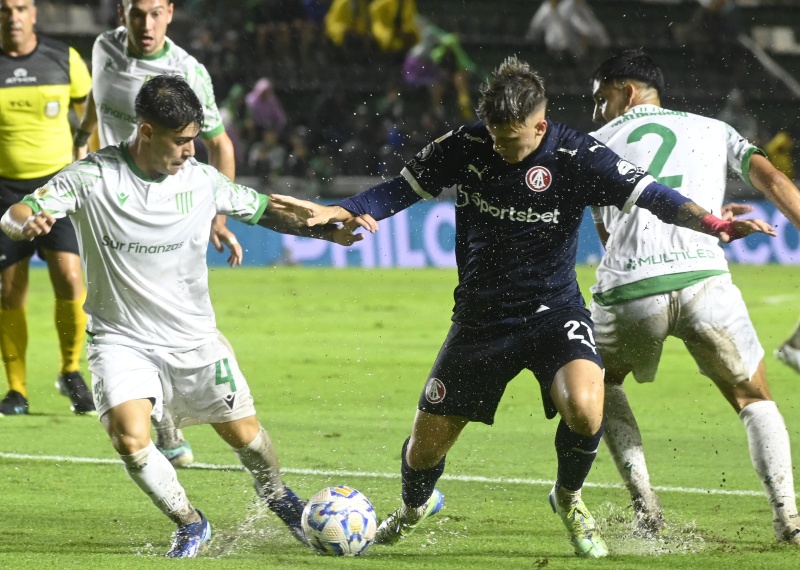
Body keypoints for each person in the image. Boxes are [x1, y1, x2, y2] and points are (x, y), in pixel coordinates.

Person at [267, 55, 776, 558]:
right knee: (424, 451)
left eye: (511, 141)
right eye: (494, 137)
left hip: (554, 312)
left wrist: (716, 226)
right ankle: (415, 506)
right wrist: (347, 209)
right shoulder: (464, 146)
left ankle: (569, 498)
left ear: (541, 124)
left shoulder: (578, 154)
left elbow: (655, 196)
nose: (501, 149)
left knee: (585, 404)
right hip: (480, 321)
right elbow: (400, 190)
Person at [0, 74, 363, 558]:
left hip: (193, 340)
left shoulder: (202, 181)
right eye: (182, 141)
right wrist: (27, 224)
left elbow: (266, 211)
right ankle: (190, 522)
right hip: (119, 339)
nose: (192, 151)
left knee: (247, 439)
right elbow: (17, 213)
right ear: (146, 131)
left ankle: (278, 495)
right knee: (129, 439)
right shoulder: (93, 177)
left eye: (195, 139)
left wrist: (327, 230)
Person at [588, 49, 800, 544]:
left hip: (630, 290)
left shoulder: (592, 144)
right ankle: (789, 519)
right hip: (705, 281)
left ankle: (647, 511)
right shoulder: (714, 128)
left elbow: (609, 232)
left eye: (602, 99)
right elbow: (772, 179)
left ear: (629, 91)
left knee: (598, 384)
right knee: (754, 398)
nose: (597, 111)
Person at [73, 0, 242, 467]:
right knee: (117, 307)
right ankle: (161, 417)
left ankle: (170, 413)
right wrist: (82, 134)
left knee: (166, 307)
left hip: (168, 205)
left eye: (154, 12)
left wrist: (218, 216)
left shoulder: (187, 70)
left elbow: (219, 143)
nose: (145, 24)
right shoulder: (102, 46)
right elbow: (95, 98)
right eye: (135, 12)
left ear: (169, 13)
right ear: (122, 11)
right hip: (109, 201)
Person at [0, 0, 95, 416]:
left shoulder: (64, 58)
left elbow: (88, 113)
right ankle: (16, 391)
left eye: (21, 8)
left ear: (34, 13)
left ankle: (71, 371)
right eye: (5, 9)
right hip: (4, 192)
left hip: (57, 187)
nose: (13, 16)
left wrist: (85, 156)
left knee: (70, 278)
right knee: (9, 289)